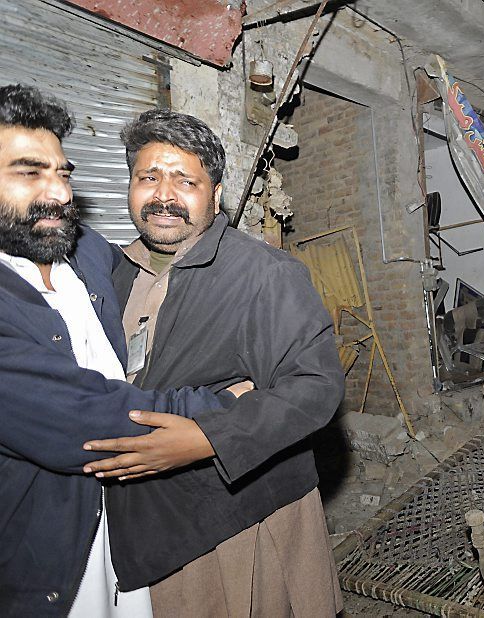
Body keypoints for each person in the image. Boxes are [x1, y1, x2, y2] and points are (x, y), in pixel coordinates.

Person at [82, 109, 346, 616]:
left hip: (240, 511)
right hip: (151, 517)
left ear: (216, 194)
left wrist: (206, 438)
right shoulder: (111, 276)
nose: (164, 195)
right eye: (148, 178)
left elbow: (314, 386)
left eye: (186, 180)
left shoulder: (265, 273)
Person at [0, 84, 246, 616]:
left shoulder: (82, 250)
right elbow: (91, 420)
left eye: (63, 173)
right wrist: (231, 405)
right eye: (28, 173)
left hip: (127, 534)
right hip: (46, 563)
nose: (60, 194)